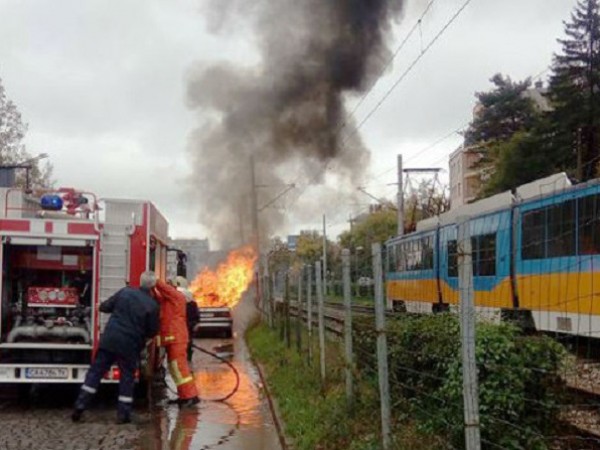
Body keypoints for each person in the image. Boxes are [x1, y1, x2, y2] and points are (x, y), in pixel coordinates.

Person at [72, 271, 160, 424]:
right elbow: (152, 331)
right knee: (127, 378)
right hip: (130, 345)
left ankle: (79, 406)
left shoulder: (125, 292)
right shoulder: (152, 306)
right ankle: (123, 415)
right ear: (153, 286)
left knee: (95, 373)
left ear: (140, 281)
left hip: (110, 340)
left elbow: (105, 307)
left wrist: (103, 307)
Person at [153, 279, 200, 407]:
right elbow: (158, 296)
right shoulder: (167, 300)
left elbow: (164, 290)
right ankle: (184, 396)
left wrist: (154, 280)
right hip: (173, 339)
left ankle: (190, 396)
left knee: (180, 368)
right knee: (175, 368)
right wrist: (151, 288)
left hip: (177, 338)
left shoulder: (177, 297)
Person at [174, 277, 199, 363]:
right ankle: (187, 356)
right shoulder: (192, 303)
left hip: (183, 325)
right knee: (187, 341)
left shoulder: (176, 301)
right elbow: (196, 315)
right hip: (188, 325)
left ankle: (183, 356)